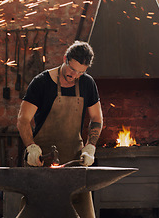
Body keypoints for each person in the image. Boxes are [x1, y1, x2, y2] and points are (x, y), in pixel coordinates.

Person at [17, 40, 103, 218]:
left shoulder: (87, 84)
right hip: (42, 161)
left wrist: (90, 147)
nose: (75, 76)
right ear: (65, 59)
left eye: (81, 72)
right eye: (72, 69)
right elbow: (23, 119)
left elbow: (96, 118)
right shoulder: (41, 83)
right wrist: (31, 147)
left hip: (73, 163)